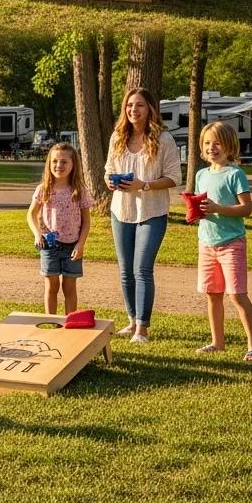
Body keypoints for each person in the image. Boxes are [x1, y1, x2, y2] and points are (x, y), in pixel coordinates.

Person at [104, 87, 181, 343]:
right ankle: (131, 320)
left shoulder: (164, 140)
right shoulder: (117, 137)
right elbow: (108, 170)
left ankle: (142, 329)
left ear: (150, 109)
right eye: (129, 105)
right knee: (126, 270)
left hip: (152, 211)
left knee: (142, 269)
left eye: (139, 105)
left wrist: (144, 185)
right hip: (121, 210)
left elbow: (174, 178)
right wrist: (111, 182)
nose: (133, 110)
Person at [194, 121, 252, 361]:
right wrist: (195, 212)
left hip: (231, 242)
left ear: (229, 146)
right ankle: (217, 342)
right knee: (212, 294)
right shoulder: (201, 175)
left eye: (217, 143)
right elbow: (201, 205)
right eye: (207, 143)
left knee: (236, 294)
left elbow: (247, 209)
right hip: (206, 243)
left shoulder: (236, 173)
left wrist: (217, 208)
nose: (212, 147)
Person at [27, 143, 92, 315]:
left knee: (69, 287)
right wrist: (37, 234)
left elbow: (86, 221)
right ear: (49, 163)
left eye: (64, 162)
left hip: (73, 246)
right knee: (51, 286)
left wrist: (81, 244)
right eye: (54, 161)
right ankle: (52, 322)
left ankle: (69, 323)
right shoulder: (44, 189)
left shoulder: (79, 190)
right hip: (49, 245)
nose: (59, 166)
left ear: (73, 165)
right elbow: (31, 214)